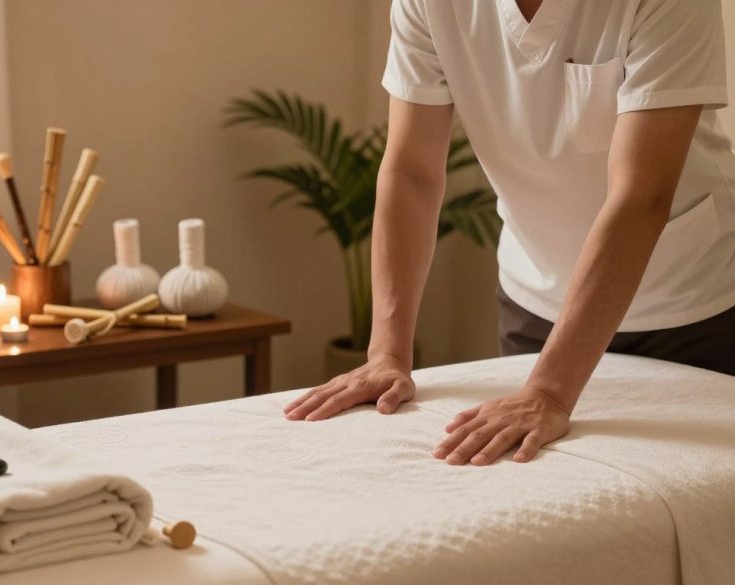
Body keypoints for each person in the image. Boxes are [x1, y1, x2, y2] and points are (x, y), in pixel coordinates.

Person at [284, 0, 735, 466]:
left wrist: (549, 392)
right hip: (536, 302)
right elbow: (411, 172)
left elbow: (641, 198)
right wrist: (386, 353)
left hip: (694, 310)